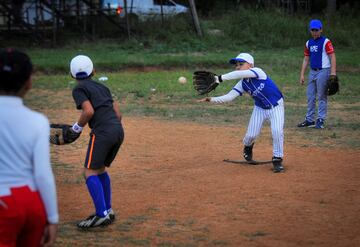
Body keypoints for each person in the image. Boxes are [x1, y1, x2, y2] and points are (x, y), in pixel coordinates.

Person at [0, 48, 58, 246]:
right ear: (29, 83)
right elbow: (43, 174)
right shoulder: (38, 121)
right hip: (31, 202)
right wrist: (52, 217)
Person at [197, 53, 285, 173]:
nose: (238, 67)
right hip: (259, 108)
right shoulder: (242, 84)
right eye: (236, 65)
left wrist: (219, 78)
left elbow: (237, 74)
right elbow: (229, 97)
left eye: (241, 64)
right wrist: (211, 99)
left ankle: (277, 159)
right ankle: (248, 147)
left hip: (276, 106)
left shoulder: (258, 72)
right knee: (251, 136)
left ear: (251, 65)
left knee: (277, 131)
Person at [69, 55, 124, 228]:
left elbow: (88, 111)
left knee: (89, 172)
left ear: (72, 76)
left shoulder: (79, 89)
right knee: (99, 169)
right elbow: (118, 114)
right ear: (93, 71)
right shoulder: (102, 87)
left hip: (103, 132)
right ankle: (107, 210)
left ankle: (101, 214)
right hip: (117, 130)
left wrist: (76, 128)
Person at [298, 19, 337, 129]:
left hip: (323, 71)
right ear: (310, 30)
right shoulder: (308, 43)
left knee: (321, 96)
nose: (314, 32)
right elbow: (306, 59)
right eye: (312, 30)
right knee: (310, 96)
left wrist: (333, 73)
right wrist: (302, 74)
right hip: (312, 72)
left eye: (317, 30)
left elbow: (332, 56)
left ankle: (320, 119)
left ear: (321, 30)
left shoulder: (325, 41)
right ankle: (309, 120)